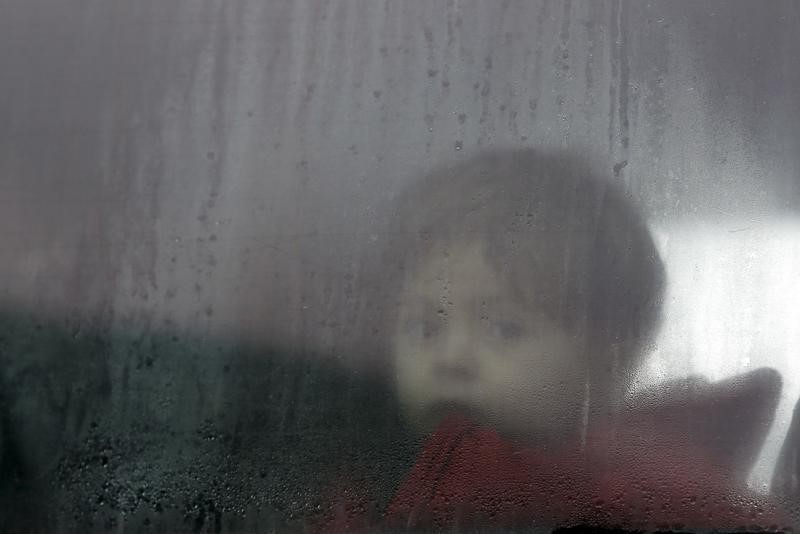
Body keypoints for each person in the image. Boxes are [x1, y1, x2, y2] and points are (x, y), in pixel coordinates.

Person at [311, 148, 789, 532]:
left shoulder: (660, 506)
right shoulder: (366, 498)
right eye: (424, 327)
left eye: (503, 328)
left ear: (608, 356)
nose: (449, 358)